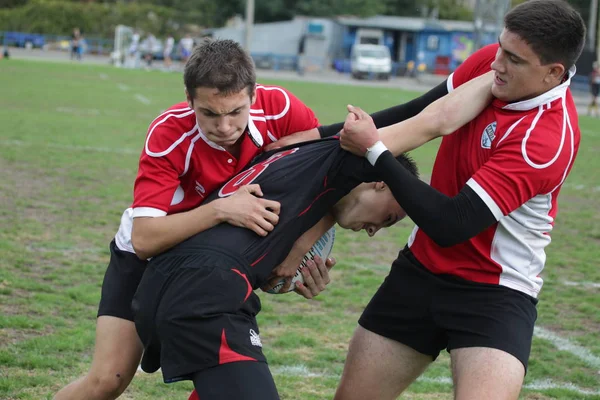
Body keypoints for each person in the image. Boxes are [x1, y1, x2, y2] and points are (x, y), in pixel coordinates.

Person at [132, 71, 494, 400]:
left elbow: (269, 245)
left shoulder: (297, 162)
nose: (372, 231)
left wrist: (291, 262)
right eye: (386, 218)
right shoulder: (347, 157)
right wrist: (498, 75)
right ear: (379, 181)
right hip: (204, 293)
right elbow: (436, 119)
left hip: (168, 285)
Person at [53, 38, 335, 400]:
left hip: (209, 267)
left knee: (228, 375)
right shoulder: (169, 133)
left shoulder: (279, 108)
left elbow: (331, 175)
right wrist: (221, 209)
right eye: (209, 113)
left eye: (236, 111)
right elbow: (144, 238)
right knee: (108, 380)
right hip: (147, 259)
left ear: (253, 94)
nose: (225, 126)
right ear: (189, 101)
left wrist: (300, 249)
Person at [334, 1, 586, 399]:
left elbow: (452, 223)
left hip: (494, 293)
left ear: (553, 73)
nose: (497, 63)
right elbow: (418, 111)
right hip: (421, 271)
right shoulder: (495, 62)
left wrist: (376, 152)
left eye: (514, 60)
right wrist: (319, 136)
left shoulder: (546, 140)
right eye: (500, 48)